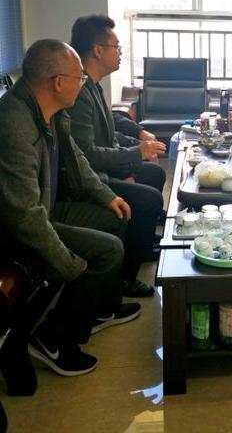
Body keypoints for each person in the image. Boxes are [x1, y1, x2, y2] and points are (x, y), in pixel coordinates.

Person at [0, 40, 140, 377]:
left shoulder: (52, 112)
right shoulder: (14, 124)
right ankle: (52, 338)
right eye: (79, 78)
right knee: (107, 250)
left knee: (117, 215)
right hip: (15, 229)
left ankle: (100, 308)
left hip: (45, 208)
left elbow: (78, 160)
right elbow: (24, 217)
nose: (84, 83)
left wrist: (107, 196)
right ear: (59, 83)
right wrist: (70, 264)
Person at [68, 15, 166, 298]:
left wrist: (140, 142)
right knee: (148, 199)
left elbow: (109, 131)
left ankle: (142, 243)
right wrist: (135, 155)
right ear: (98, 50)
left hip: (103, 165)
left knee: (155, 173)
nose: (120, 53)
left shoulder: (93, 85)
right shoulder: (80, 92)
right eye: (117, 47)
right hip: (90, 178)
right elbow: (87, 155)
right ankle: (124, 278)